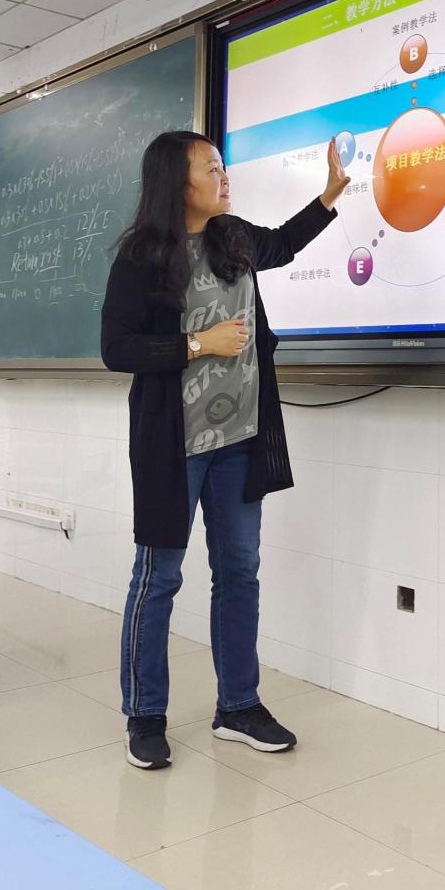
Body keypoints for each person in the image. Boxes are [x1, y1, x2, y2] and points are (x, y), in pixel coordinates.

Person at [100, 129, 349, 769]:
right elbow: (116, 348)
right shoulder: (141, 258)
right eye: (211, 168)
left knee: (239, 572)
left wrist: (328, 195)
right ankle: (144, 714)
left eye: (222, 165)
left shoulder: (232, 237)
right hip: (173, 445)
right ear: (176, 182)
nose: (223, 175)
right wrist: (196, 344)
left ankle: (238, 706)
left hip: (240, 439)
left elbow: (283, 244)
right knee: (159, 577)